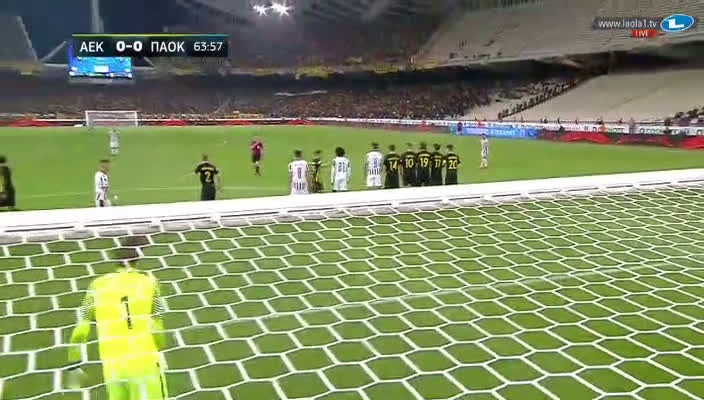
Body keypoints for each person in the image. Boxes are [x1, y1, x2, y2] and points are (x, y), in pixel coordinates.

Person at [66, 236, 169, 400]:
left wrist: (74, 364)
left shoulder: (97, 285)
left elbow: (81, 330)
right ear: (139, 257)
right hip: (145, 363)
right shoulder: (149, 283)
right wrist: (160, 352)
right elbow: (157, 325)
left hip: (113, 367)